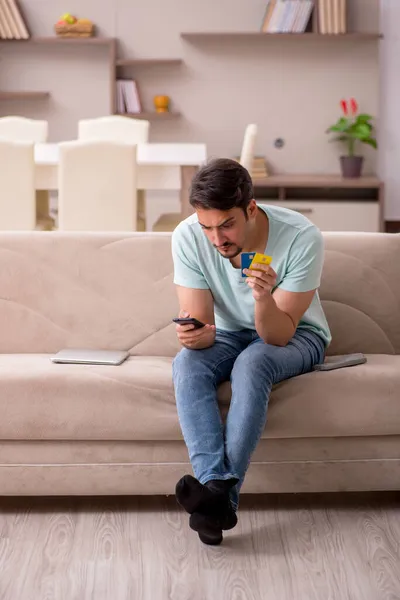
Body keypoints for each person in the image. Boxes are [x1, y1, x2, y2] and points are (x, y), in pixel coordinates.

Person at [171, 158, 331, 545]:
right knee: (186, 364)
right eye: (207, 226)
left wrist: (262, 297)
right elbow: (205, 325)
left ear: (251, 208)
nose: (217, 239)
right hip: (227, 334)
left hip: (296, 334)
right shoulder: (188, 236)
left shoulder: (300, 237)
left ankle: (219, 498)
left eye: (227, 224)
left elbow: (277, 336)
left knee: (254, 361)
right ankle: (215, 492)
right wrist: (197, 336)